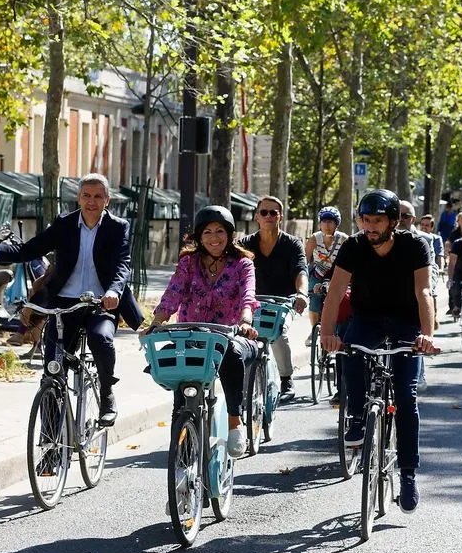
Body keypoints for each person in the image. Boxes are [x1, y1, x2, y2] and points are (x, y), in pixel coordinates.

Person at [0, 173, 142, 426]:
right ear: (78, 198)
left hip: (101, 304)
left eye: (97, 197)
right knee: (52, 372)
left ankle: (106, 393)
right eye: (86, 196)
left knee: (101, 338)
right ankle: (49, 451)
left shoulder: (118, 227)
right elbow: (29, 249)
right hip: (64, 305)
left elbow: (122, 265)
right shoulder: (64, 223)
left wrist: (114, 291)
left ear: (107, 200)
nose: (91, 202)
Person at [320, 189, 436, 514]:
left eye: (377, 221)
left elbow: (424, 291)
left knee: (406, 397)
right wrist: (326, 333)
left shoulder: (415, 246)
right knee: (351, 354)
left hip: (405, 323)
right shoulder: (353, 246)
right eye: (365, 220)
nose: (370, 227)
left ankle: (409, 473)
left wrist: (426, 335)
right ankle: (356, 418)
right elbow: (334, 293)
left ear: (393, 222)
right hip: (367, 319)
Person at [146, 206, 259, 457]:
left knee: (231, 354)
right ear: (198, 236)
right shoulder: (188, 263)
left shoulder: (242, 264)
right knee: (177, 377)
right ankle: (182, 458)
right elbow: (172, 294)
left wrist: (246, 322)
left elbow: (248, 298)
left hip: (228, 336)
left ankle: (234, 421)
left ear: (230, 234)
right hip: (191, 337)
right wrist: (157, 322)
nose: (214, 238)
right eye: (207, 232)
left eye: (220, 231)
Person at [238, 196, 309, 402]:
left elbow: (301, 272)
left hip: (283, 303)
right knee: (241, 337)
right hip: (251, 302)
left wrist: (302, 294)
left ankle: (286, 379)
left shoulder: (292, 244)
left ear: (280, 216)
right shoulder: (244, 244)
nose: (268, 216)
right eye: (263, 212)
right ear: (256, 217)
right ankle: (242, 385)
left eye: (273, 212)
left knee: (278, 332)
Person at [399, 201, 441, 333]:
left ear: (413, 219)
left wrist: (428, 292)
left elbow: (432, 268)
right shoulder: (383, 237)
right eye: (397, 215)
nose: (400, 219)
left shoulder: (425, 239)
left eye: (405, 216)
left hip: (416, 293)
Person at [307, 206, 348, 335]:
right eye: (324, 221)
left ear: (336, 224)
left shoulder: (344, 239)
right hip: (317, 274)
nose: (327, 225)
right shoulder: (314, 239)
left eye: (330, 221)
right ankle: (314, 331)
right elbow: (305, 261)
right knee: (314, 301)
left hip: (337, 275)